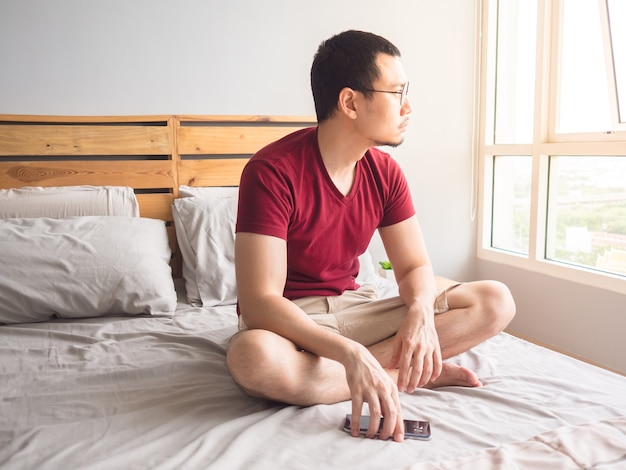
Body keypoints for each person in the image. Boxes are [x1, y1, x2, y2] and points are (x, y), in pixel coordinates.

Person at [226, 30, 515, 443]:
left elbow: (414, 266)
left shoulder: (386, 171)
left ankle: (378, 371)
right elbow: (259, 303)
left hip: (358, 308)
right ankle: (399, 375)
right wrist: (350, 355)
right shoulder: (271, 171)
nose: (408, 106)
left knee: (494, 300)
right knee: (252, 358)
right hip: (294, 323)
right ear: (350, 102)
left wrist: (419, 314)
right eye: (397, 92)